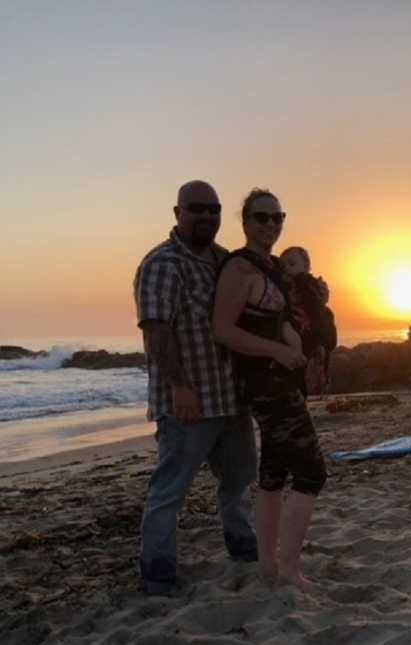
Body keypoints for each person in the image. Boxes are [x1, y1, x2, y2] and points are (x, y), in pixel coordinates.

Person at [132, 180, 258, 595]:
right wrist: (179, 387)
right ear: (177, 213)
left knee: (239, 481)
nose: (206, 216)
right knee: (170, 491)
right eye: (196, 209)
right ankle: (158, 573)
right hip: (189, 402)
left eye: (214, 209)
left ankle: (243, 549)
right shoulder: (163, 264)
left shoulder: (224, 261)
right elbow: (156, 331)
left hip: (232, 398)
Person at [213, 188, 327, 592]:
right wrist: (278, 351)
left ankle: (267, 566)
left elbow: (290, 315)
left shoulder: (272, 267)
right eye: (261, 218)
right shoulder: (239, 269)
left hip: (283, 379)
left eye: (278, 217)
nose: (271, 225)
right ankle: (289, 568)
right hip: (263, 383)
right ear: (244, 222)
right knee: (312, 471)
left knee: (274, 472)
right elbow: (223, 330)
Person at [279, 246, 337, 397]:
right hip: (302, 329)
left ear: (306, 267)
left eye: (292, 264)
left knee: (311, 358)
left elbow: (316, 305)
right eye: (282, 265)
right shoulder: (283, 284)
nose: (286, 268)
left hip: (310, 328)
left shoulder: (305, 281)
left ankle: (319, 376)